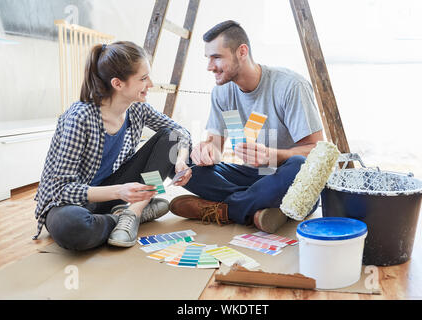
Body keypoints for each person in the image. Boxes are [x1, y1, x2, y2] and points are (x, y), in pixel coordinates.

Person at [33, 41, 192, 250]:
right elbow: (61, 190)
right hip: (72, 202)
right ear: (118, 84)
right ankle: (123, 217)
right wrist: (119, 192)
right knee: (73, 228)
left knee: (170, 137)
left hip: (113, 190)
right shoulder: (80, 117)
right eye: (143, 78)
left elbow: (181, 133)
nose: (151, 84)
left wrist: (181, 160)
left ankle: (134, 211)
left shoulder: (138, 110)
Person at [169, 20, 324, 233]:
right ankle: (261, 206)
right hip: (250, 176)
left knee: (299, 167)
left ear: (242, 51)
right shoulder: (221, 93)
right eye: (208, 58)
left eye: (217, 57)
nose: (209, 66)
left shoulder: (290, 86)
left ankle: (223, 210)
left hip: (285, 175)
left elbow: (316, 151)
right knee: (178, 160)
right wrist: (204, 152)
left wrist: (273, 154)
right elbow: (215, 148)